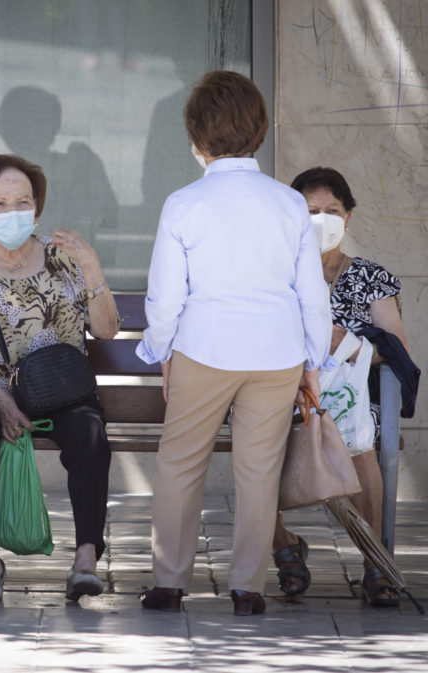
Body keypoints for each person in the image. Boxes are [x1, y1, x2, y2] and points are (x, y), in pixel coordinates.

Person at [136, 70, 332, 616]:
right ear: (260, 131)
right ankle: (249, 586)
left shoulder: (183, 203)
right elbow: (311, 295)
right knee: (259, 469)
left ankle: (170, 582)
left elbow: (165, 297)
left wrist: (161, 351)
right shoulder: (289, 204)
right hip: (277, 353)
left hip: (204, 348)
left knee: (179, 465)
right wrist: (313, 362)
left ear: (196, 137)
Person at [0, 154, 120, 602]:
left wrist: (92, 267)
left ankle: (87, 557)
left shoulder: (65, 261)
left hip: (61, 392)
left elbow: (108, 329)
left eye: (23, 201)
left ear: (37, 207)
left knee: (90, 430)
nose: (14, 211)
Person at [271, 166, 411, 608]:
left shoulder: (369, 277)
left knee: (361, 438)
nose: (322, 220)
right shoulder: (274, 275)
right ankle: (284, 550)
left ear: (348, 217)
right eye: (311, 211)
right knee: (255, 431)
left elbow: (400, 352)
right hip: (282, 391)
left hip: (350, 398)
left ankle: (374, 562)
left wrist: (347, 343)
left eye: (332, 210)